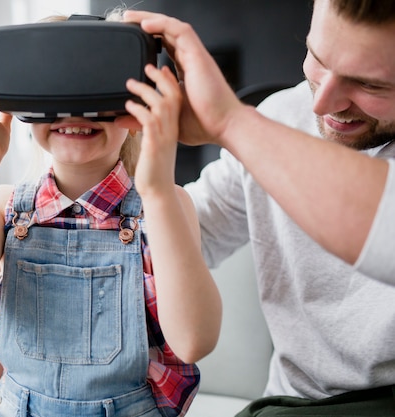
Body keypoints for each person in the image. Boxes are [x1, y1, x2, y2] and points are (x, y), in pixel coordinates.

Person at [0, 14, 222, 416]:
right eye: (55, 87)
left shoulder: (163, 205)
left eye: (97, 89)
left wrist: (159, 189)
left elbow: (193, 341)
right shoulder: (7, 208)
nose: (76, 113)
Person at [118, 0, 395, 415]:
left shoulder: (253, 131)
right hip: (289, 404)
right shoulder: (281, 115)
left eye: (369, 85)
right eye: (317, 59)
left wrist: (230, 123)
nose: (321, 105)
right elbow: (181, 239)